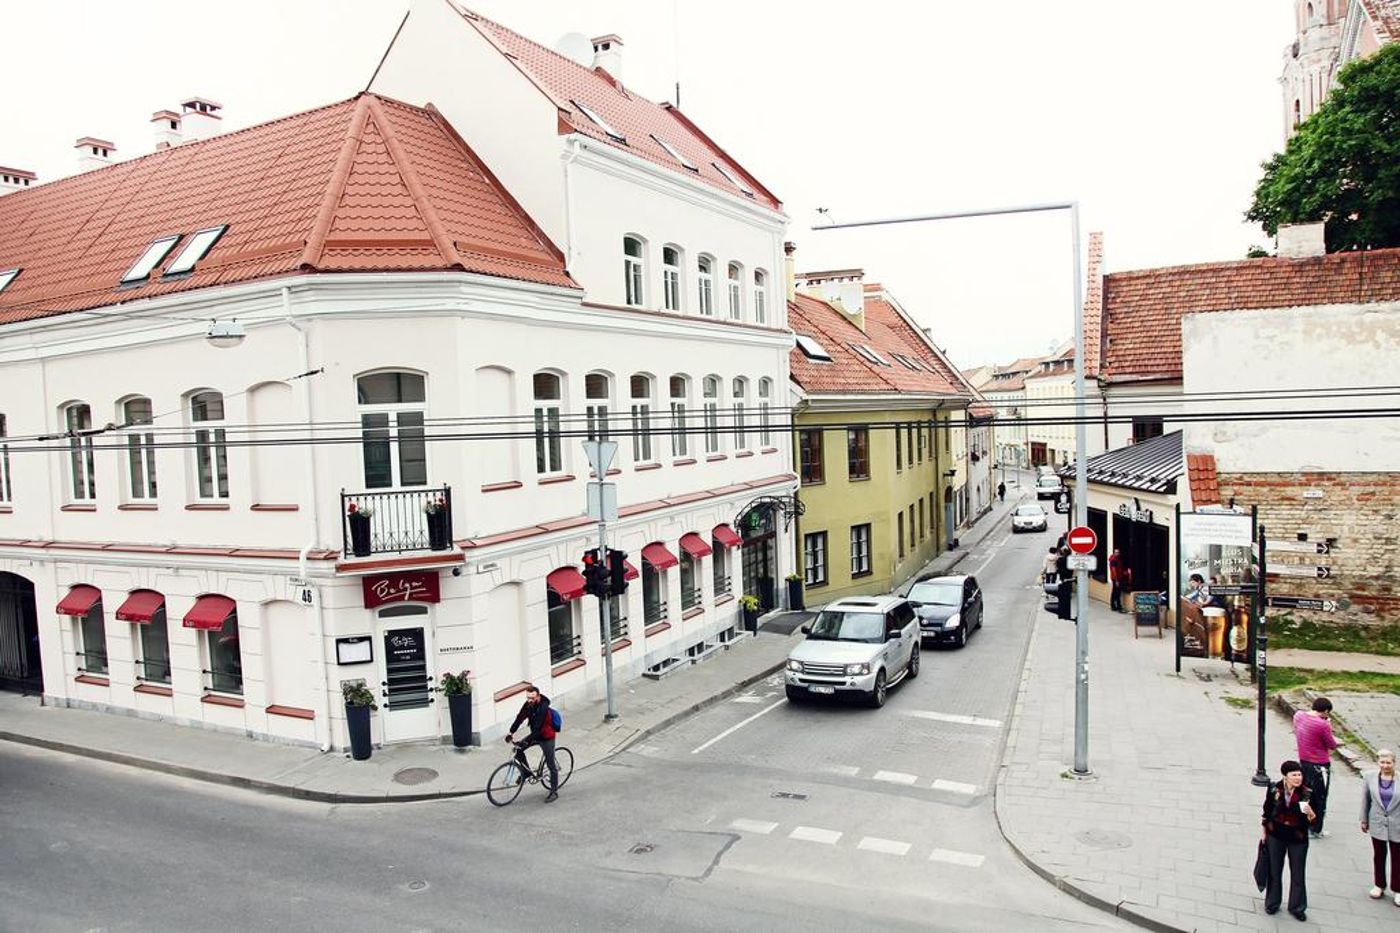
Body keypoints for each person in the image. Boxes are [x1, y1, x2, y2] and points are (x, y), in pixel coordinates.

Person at [1261, 759, 1315, 920]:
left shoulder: (1307, 793)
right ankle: (1272, 903)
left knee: (1298, 872)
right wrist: (1264, 832)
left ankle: (1297, 907)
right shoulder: (1274, 789)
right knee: (1274, 871)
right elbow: (1267, 811)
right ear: (1285, 776)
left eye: (1299, 774)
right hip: (1275, 835)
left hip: (1297, 838)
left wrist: (1311, 813)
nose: (1298, 778)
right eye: (1294, 775)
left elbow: (1314, 821)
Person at [1294, 697, 1339, 838]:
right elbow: (1332, 744)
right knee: (1319, 797)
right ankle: (1315, 828)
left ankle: (1301, 822)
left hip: (1304, 761)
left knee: (1304, 793)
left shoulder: (1299, 715)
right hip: (1320, 765)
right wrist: (1328, 726)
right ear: (1326, 711)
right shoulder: (1323, 725)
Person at [505, 684, 559, 802]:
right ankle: (527, 773)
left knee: (551, 765)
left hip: (546, 737)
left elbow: (538, 729)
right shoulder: (528, 705)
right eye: (528, 698)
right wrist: (510, 732)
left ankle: (554, 792)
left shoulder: (543, 707)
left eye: (532, 698)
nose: (529, 700)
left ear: (538, 696)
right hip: (535, 734)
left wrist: (525, 741)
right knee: (518, 750)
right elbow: (520, 718)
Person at [1360, 748, 1400, 904]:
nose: (1385, 765)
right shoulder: (1369, 777)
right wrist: (1364, 819)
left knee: (1397, 857)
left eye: (1388, 762)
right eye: (1382, 762)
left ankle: (1398, 889)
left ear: (1394, 763)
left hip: (1397, 824)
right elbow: (1366, 799)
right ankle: (1379, 885)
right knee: (1379, 855)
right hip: (1377, 822)